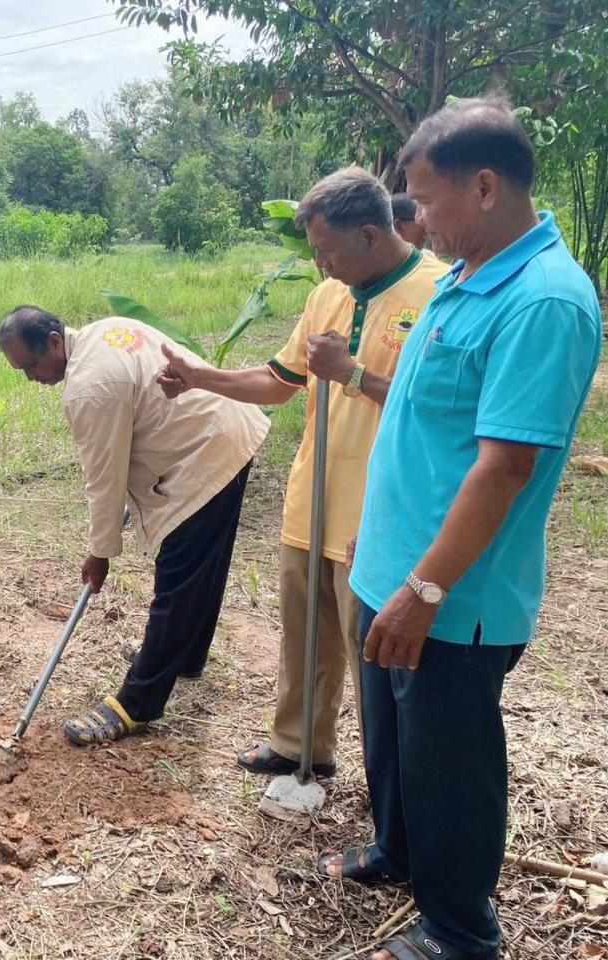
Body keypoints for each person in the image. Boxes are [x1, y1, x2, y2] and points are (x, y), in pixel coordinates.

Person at [324, 98, 602, 960]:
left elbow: (504, 467)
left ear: (484, 188)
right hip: (393, 571)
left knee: (452, 763)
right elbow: (421, 423)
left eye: (424, 199)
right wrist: (384, 559)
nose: (413, 219)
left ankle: (459, 927)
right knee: (396, 740)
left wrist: (425, 588)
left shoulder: (543, 301)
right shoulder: (465, 275)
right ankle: (398, 852)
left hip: (451, 594)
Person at [160, 167, 447, 780]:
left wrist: (351, 373)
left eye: (326, 250)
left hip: (380, 510)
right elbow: (280, 382)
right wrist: (199, 377)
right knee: (303, 630)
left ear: (370, 235)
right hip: (312, 497)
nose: (319, 265)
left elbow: (438, 411)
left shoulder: (438, 294)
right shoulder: (328, 296)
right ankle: (299, 743)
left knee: (370, 648)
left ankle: (389, 781)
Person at [0, 307, 269, 745]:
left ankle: (137, 703)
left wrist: (100, 552)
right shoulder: (104, 328)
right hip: (225, 431)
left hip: (203, 453)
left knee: (179, 580)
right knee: (203, 567)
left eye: (30, 365)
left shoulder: (88, 388)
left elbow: (104, 481)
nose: (30, 377)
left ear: (52, 341)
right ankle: (187, 656)